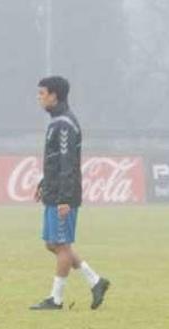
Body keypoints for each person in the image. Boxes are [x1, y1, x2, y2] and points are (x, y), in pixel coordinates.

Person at [31, 76, 110, 310]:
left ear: (54, 95)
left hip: (63, 195)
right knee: (52, 244)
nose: (39, 97)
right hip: (54, 191)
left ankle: (56, 299)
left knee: (62, 246)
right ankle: (95, 280)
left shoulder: (64, 124)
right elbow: (56, 161)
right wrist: (44, 183)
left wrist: (65, 198)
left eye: (42, 93)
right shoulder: (57, 122)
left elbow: (68, 163)